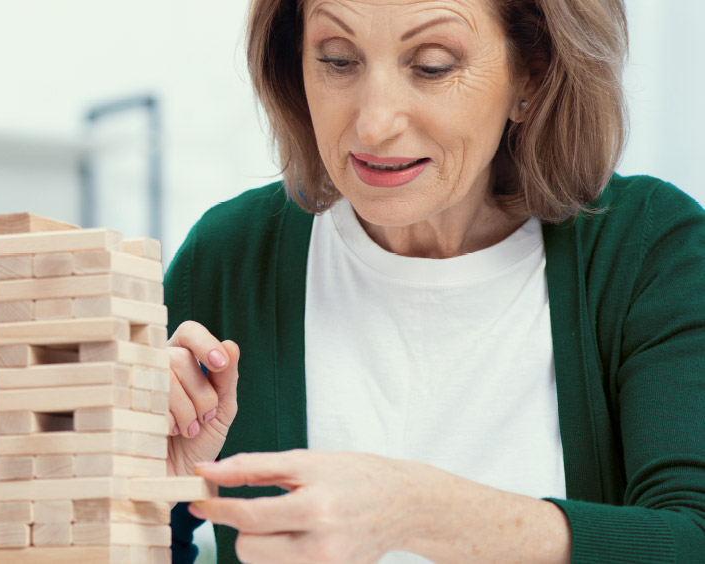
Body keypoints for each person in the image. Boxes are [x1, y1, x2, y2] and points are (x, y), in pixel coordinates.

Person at [164, 0, 705, 562]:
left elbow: (693, 537)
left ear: (532, 72)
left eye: (432, 66)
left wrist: (422, 514)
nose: (374, 122)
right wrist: (124, 483)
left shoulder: (647, 249)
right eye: (338, 59)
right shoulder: (229, 257)